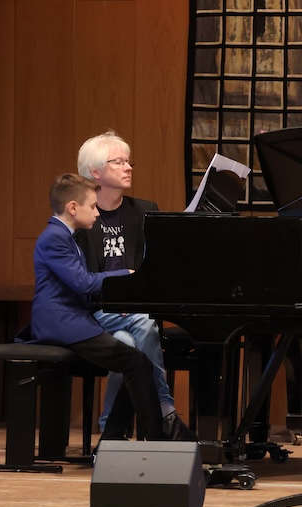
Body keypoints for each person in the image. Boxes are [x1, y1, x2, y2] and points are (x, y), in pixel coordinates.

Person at [31, 173, 165, 441]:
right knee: (137, 362)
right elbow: (82, 283)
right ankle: (152, 438)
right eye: (92, 207)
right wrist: (123, 274)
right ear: (72, 208)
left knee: (136, 360)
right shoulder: (55, 238)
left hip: (72, 319)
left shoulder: (65, 235)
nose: (96, 212)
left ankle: (114, 437)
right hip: (62, 323)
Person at [74, 131, 189, 441]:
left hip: (135, 313)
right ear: (95, 172)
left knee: (127, 342)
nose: (128, 167)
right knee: (142, 324)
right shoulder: (81, 215)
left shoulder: (145, 210)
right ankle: (165, 409)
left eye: (129, 161)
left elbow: (163, 266)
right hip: (94, 314)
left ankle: (111, 429)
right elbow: (78, 282)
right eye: (118, 162)